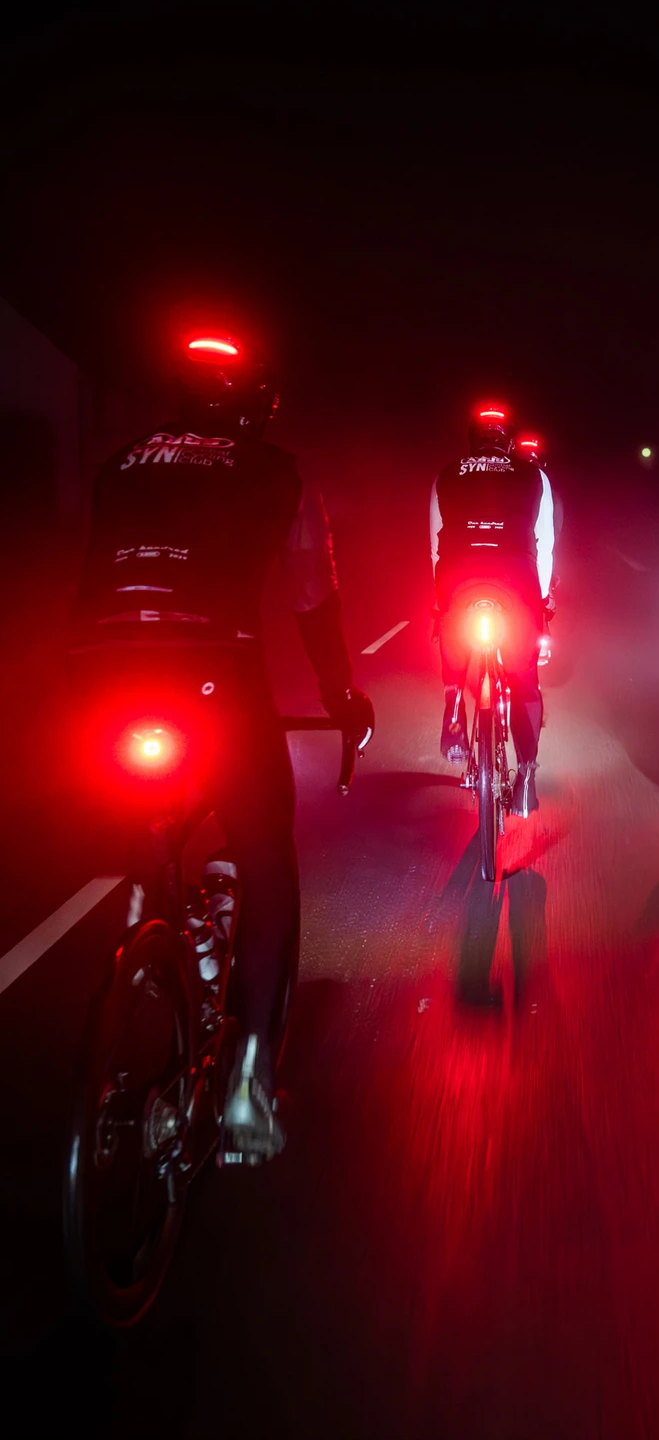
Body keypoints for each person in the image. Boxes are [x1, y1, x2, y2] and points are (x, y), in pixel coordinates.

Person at [68, 330, 374, 1162]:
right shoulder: (279, 471)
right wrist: (342, 698)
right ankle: (246, 1084)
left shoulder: (121, 462)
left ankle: (149, 928)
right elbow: (313, 599)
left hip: (97, 674)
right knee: (266, 851)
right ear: (259, 405)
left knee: (144, 821)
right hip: (211, 675)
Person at [430, 403, 555, 817]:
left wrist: (440, 602)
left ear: (472, 438)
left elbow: (434, 545)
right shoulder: (534, 475)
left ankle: (453, 706)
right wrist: (542, 602)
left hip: (458, 579)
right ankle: (527, 779)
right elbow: (545, 544)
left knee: (452, 634)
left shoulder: (447, 473)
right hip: (516, 582)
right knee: (525, 681)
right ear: (508, 440)